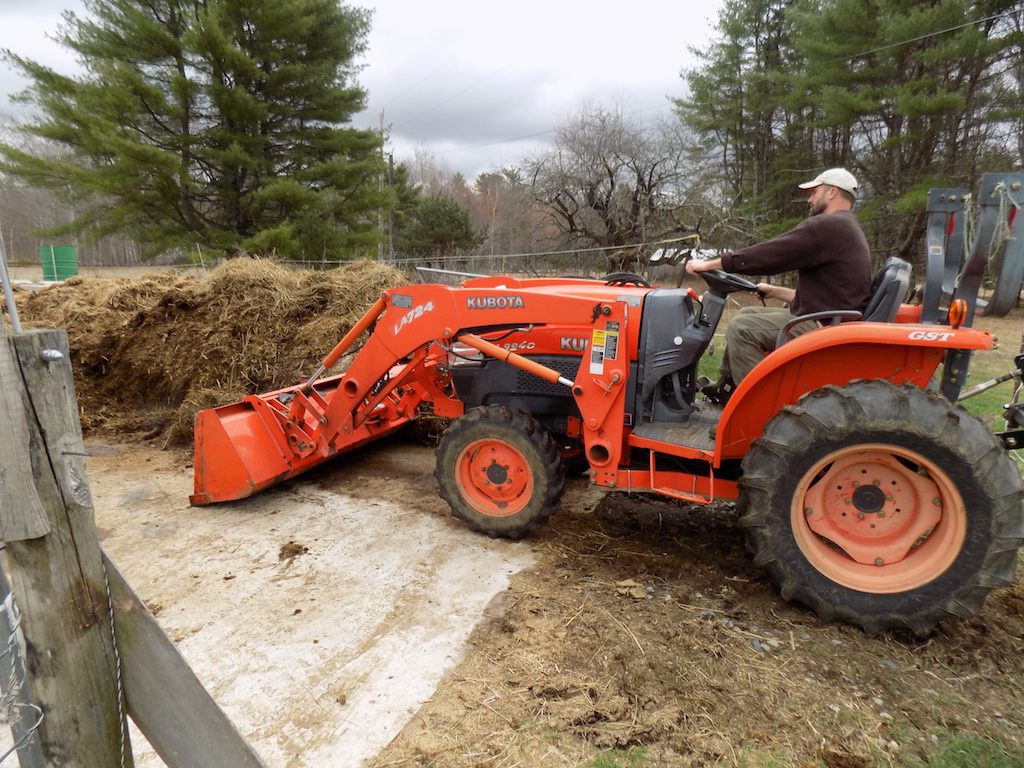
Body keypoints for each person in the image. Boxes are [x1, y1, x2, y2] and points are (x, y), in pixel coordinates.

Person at [686, 167, 872, 402]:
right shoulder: (847, 228)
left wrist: (710, 265)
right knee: (747, 313)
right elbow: (831, 295)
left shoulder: (828, 226)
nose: (810, 199)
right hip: (829, 318)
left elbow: (772, 254)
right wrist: (775, 291)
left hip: (823, 326)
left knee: (742, 328)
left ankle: (759, 409)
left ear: (832, 192)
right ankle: (726, 388)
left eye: (814, 192)